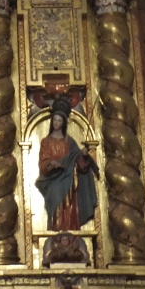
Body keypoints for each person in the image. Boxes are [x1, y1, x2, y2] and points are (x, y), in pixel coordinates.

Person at [35, 98, 100, 231]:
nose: (56, 123)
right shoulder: (46, 142)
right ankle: (55, 231)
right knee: (55, 205)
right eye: (54, 120)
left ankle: (70, 232)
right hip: (53, 181)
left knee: (69, 208)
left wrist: (83, 155)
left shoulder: (69, 142)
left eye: (59, 120)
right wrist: (51, 163)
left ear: (63, 123)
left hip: (68, 180)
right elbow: (43, 162)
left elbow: (79, 163)